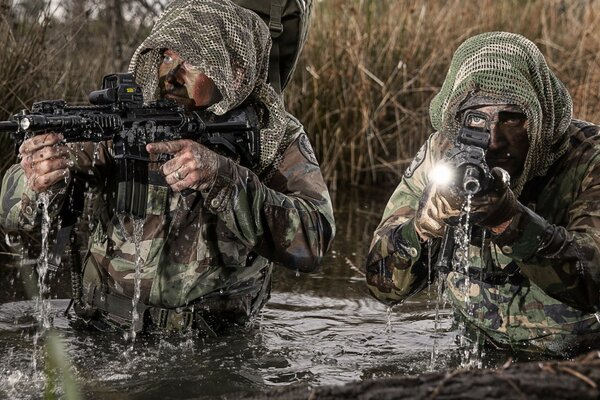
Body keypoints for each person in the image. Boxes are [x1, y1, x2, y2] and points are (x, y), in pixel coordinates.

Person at [0, 0, 335, 333]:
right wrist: (37, 180)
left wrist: (225, 180)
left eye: (192, 60)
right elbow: (11, 214)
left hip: (215, 348)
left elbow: (314, 240)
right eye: (167, 55)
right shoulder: (122, 120)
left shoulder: (269, 132)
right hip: (103, 331)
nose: (171, 75)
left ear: (235, 71)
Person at [365, 31, 600, 356]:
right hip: (474, 355)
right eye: (476, 118)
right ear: (455, 119)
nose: (494, 139)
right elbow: (382, 288)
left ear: (540, 118)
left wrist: (510, 221)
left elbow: (595, 282)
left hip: (580, 362)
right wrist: (417, 232)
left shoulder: (589, 158)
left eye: (512, 118)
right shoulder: (440, 155)